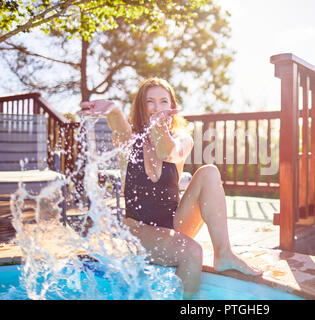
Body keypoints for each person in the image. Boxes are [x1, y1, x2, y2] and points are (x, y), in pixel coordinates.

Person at [78, 77, 262, 298]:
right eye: (150, 102)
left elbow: (169, 152)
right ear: (141, 107)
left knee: (209, 172)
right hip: (140, 231)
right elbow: (119, 126)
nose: (157, 107)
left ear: (171, 107)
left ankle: (224, 253)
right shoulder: (129, 141)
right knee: (192, 252)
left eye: (164, 101)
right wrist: (114, 110)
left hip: (174, 223)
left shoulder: (182, 139)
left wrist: (159, 129)